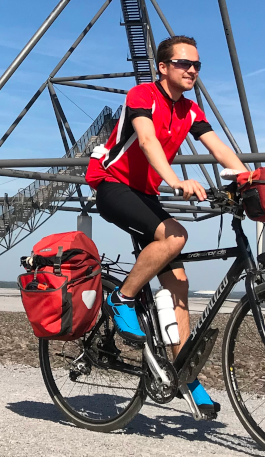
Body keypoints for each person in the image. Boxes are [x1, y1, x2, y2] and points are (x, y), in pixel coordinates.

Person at [85, 35, 246, 417]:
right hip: (112, 185)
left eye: (197, 65)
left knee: (179, 285)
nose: (192, 70)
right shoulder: (142, 95)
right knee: (176, 235)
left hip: (145, 194)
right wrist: (175, 180)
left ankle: (185, 375)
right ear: (163, 67)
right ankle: (120, 299)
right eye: (183, 64)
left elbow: (218, 147)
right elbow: (145, 140)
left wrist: (247, 176)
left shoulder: (190, 110)